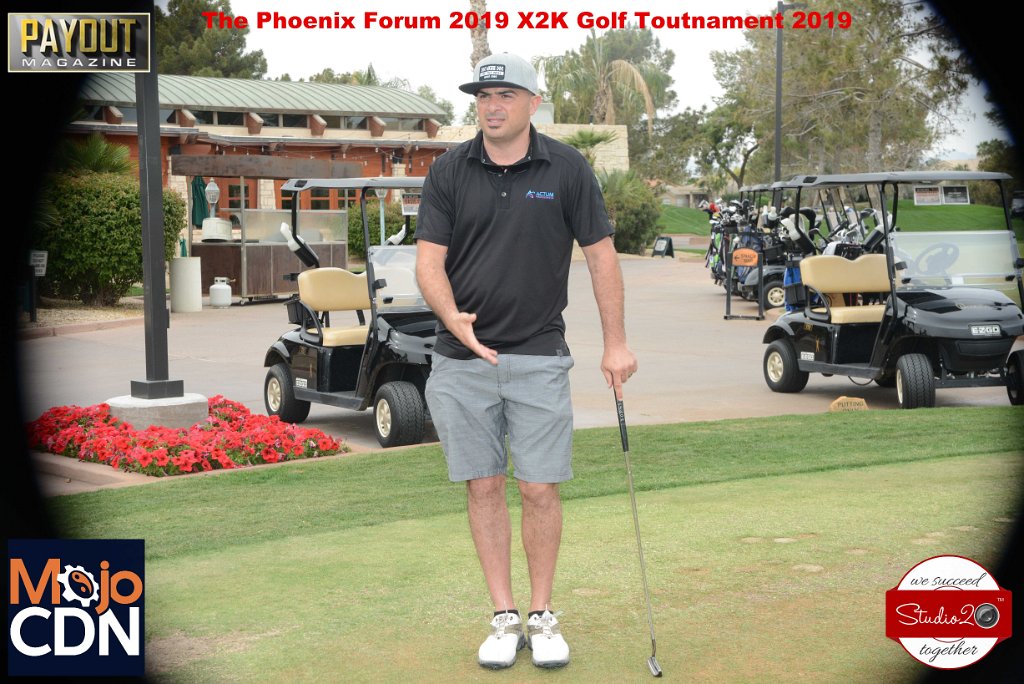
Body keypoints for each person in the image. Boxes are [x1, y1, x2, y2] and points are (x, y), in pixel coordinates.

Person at [414, 52, 638, 670]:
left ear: (533, 103)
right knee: (483, 484)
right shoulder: (449, 170)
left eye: (506, 96)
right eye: (483, 97)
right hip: (461, 359)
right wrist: (451, 316)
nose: (492, 107)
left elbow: (601, 257)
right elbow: (429, 262)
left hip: (539, 353)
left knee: (539, 487)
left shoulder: (566, 168)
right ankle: (504, 615)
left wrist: (615, 342)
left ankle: (541, 615)